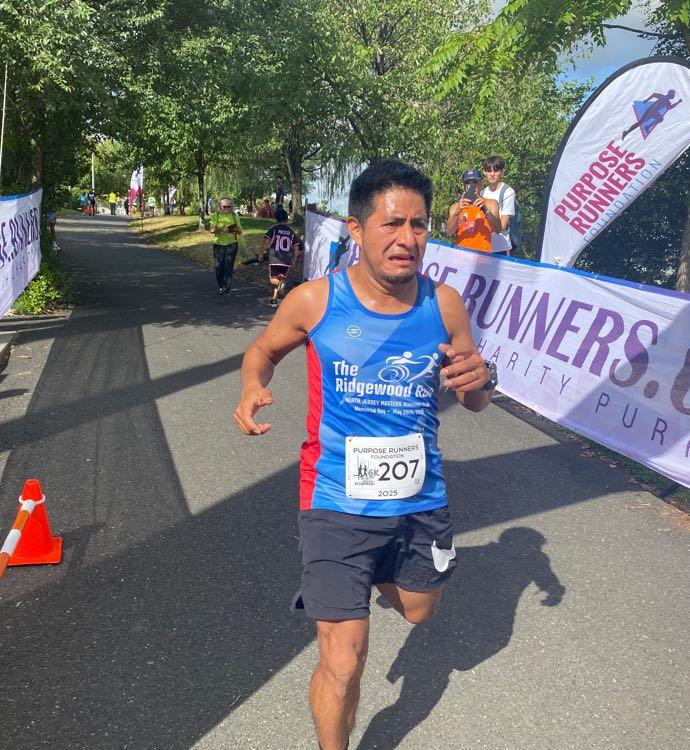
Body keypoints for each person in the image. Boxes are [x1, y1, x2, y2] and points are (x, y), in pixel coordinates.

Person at [233, 159, 496, 750]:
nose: (407, 239)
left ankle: (370, 575)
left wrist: (484, 378)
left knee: (421, 609)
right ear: (356, 228)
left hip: (418, 499)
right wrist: (252, 385)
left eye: (419, 225)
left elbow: (475, 398)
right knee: (344, 660)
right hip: (333, 499)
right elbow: (262, 351)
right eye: (392, 223)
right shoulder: (314, 301)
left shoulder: (445, 305)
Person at [444, 168, 501, 253]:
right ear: (463, 185)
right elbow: (449, 232)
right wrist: (457, 212)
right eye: (468, 183)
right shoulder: (455, 207)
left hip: (483, 255)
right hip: (461, 254)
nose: (472, 186)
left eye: (475, 182)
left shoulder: (491, 203)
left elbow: (498, 229)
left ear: (481, 184)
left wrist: (486, 210)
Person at [259, 207, 302, 308]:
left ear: (276, 218)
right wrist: (294, 259)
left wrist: (261, 253)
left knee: (273, 279)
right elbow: (296, 247)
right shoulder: (291, 231)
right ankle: (274, 298)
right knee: (280, 277)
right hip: (287, 259)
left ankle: (281, 284)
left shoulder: (273, 229)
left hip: (275, 258)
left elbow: (266, 242)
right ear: (286, 219)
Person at [479, 156, 516, 255]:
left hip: (500, 247)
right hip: (483, 246)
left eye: (496, 170)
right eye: (489, 170)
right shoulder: (482, 193)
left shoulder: (508, 192)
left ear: (503, 171)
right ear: (484, 172)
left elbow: (502, 225)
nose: (492, 174)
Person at [208, 196, 243, 295]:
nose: (227, 208)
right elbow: (212, 230)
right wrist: (220, 229)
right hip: (218, 245)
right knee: (219, 267)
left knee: (228, 266)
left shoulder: (234, 216)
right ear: (220, 206)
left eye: (229, 206)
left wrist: (231, 229)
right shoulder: (216, 215)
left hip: (232, 245)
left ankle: (226, 289)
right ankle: (221, 285)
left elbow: (239, 231)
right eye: (224, 206)